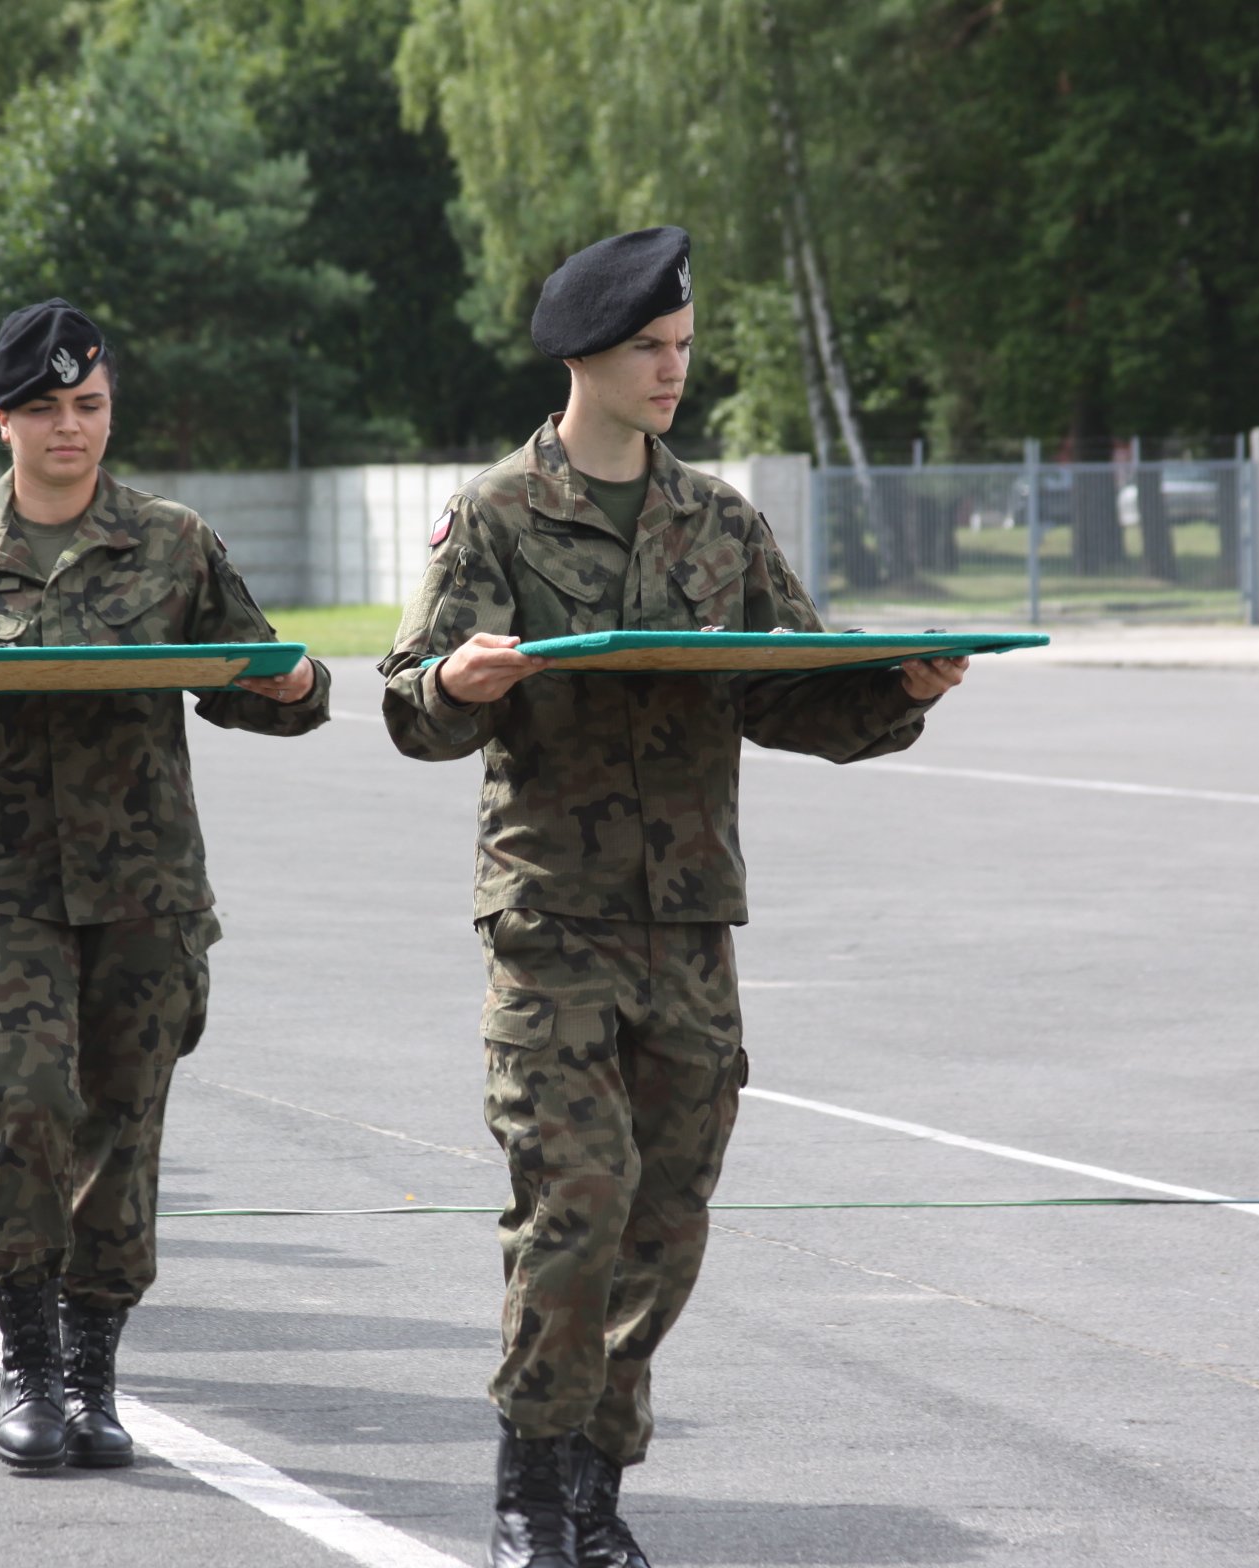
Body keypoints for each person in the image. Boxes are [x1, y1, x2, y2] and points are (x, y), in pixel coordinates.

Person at [378, 227, 967, 1568]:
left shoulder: (720, 522)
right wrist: (458, 685)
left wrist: (900, 689)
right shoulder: (496, 513)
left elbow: (794, 692)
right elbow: (412, 705)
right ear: (585, 355)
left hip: (691, 925)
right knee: (576, 1195)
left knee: (667, 1218)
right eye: (650, 347)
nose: (672, 370)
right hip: (553, 917)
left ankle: (595, 1482)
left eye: (684, 347)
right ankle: (533, 1495)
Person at [0, 301, 331, 1465]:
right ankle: (32, 1361)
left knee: (121, 1126)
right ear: (3, 421)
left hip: (145, 889)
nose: (69, 428)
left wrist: (295, 687)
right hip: (1, 883)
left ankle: (94, 1367)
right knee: (14, 1095)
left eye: (88, 404)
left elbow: (255, 676)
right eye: (43, 408)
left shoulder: (174, 543)